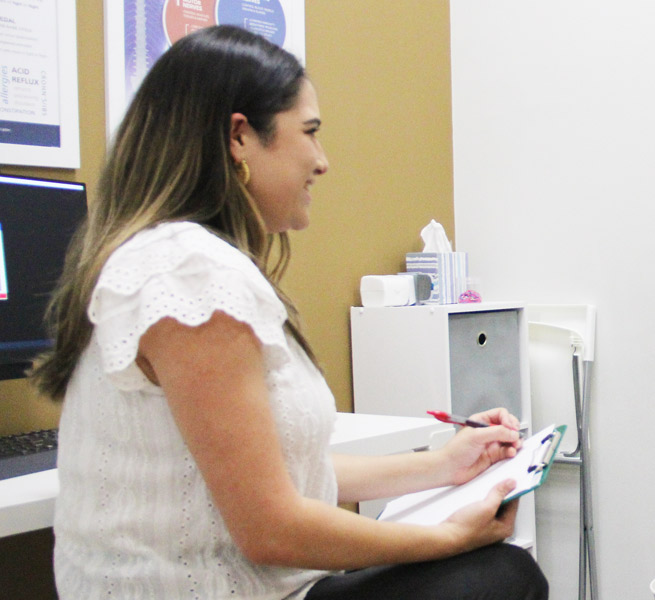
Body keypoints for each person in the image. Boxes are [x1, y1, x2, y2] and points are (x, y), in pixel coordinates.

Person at [31, 25, 548, 600]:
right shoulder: (187, 273)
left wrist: (446, 465)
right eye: (310, 133)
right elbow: (271, 529)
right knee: (501, 578)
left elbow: (285, 477)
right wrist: (450, 538)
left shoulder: (173, 260)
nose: (322, 162)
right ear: (239, 138)